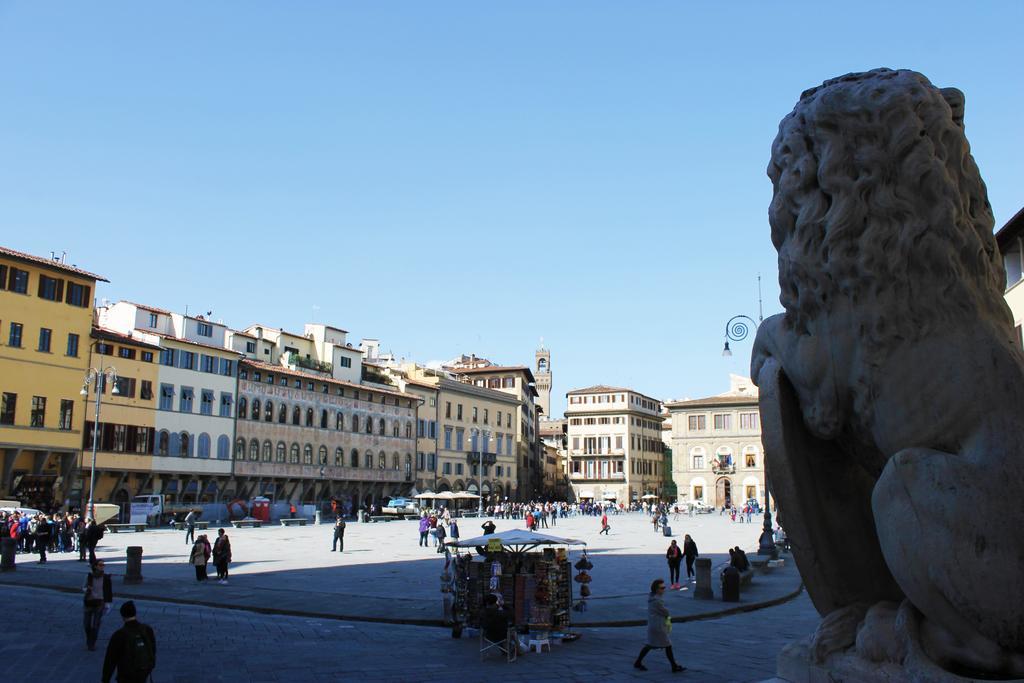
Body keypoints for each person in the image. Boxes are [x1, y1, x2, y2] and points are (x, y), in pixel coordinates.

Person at [633, 579, 685, 673]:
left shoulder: (652, 598)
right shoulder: (657, 601)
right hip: (658, 627)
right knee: (667, 645)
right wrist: (667, 613)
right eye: (662, 588)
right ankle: (674, 666)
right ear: (657, 589)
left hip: (654, 625)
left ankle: (638, 662)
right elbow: (665, 612)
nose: (664, 589)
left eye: (664, 587)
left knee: (649, 645)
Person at [102, 601, 156, 683]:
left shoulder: (119, 634)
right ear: (135, 613)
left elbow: (110, 661)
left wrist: (105, 679)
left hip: (126, 675)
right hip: (144, 670)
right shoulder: (147, 629)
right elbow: (153, 649)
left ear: (122, 616)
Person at [83, 559, 113, 651]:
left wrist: (108, 603)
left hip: (100, 603)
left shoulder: (106, 578)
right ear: (95, 566)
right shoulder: (89, 576)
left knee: (95, 625)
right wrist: (87, 589)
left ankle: (92, 643)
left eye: (103, 565)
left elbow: (108, 591)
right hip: (89, 602)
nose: (102, 566)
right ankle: (89, 638)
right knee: (86, 624)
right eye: (100, 565)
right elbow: (83, 587)